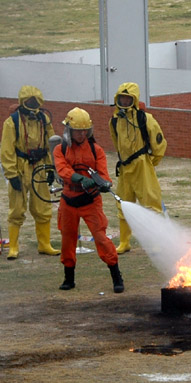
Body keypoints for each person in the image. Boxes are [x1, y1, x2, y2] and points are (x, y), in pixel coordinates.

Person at [53, 107, 124, 293]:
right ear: (69, 130)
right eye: (78, 130)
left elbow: (104, 175)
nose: (81, 134)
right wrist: (78, 178)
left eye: (85, 130)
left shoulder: (96, 150)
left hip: (91, 201)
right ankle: (69, 278)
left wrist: (103, 184)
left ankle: (116, 276)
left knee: (101, 238)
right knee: (68, 240)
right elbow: (62, 170)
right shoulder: (60, 149)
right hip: (68, 200)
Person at [0, 85, 60, 259]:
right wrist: (11, 174)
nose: (33, 104)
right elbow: (7, 149)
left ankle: (44, 245)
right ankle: (13, 247)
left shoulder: (44, 119)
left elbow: (52, 143)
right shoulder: (12, 122)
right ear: (22, 101)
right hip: (20, 167)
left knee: (42, 207)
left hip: (40, 166)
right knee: (17, 209)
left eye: (36, 101)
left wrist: (51, 167)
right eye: (29, 101)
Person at [108, 82, 167, 254]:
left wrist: (151, 162)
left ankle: (156, 242)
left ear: (134, 99)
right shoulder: (114, 121)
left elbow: (158, 141)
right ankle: (124, 242)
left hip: (142, 165)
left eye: (128, 98)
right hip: (125, 167)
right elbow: (116, 142)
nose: (124, 101)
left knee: (151, 203)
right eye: (122, 98)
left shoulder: (145, 118)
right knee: (123, 203)